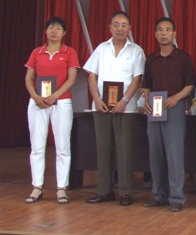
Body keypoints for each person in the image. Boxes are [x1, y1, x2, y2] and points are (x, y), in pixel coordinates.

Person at [84, 11, 146, 206]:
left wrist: (125, 100)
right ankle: (104, 191)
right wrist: (96, 99)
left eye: (124, 25)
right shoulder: (101, 49)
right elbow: (91, 75)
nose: (120, 28)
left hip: (125, 109)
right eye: (116, 25)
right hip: (101, 107)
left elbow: (137, 79)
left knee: (124, 150)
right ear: (110, 27)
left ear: (129, 28)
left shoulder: (136, 51)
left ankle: (125, 192)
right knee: (103, 149)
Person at [141, 17, 195, 212]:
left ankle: (177, 198)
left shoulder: (183, 58)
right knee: (155, 154)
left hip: (174, 108)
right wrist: (146, 101)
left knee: (174, 154)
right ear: (156, 34)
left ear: (174, 34)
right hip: (154, 110)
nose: (164, 33)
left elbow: (190, 84)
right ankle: (159, 195)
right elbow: (146, 85)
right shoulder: (151, 59)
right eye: (160, 30)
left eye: (168, 30)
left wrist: (176, 98)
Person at [24, 16, 80, 204]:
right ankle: (37, 186)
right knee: (37, 145)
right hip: (38, 102)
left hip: (61, 102)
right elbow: (29, 78)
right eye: (51, 27)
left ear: (64, 33)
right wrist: (35, 96)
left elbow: (72, 79)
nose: (54, 31)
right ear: (46, 31)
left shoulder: (69, 52)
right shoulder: (37, 52)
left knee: (62, 145)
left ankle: (61, 187)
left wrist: (55, 95)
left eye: (58, 28)